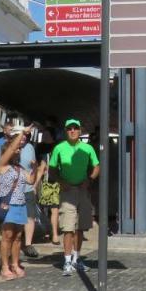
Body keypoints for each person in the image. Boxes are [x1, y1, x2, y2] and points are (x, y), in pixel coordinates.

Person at [49, 118, 100, 276]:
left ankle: (77, 259)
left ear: (79, 130)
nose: (72, 131)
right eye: (69, 129)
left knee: (80, 228)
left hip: (83, 191)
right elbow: (52, 169)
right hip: (67, 191)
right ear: (66, 131)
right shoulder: (59, 148)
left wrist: (89, 180)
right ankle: (67, 261)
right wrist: (61, 182)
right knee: (68, 228)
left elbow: (96, 166)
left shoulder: (88, 148)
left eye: (75, 128)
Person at [0, 125, 34, 280]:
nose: (18, 151)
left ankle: (15, 264)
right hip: (8, 204)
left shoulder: (19, 168)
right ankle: (4, 266)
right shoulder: (2, 166)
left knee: (18, 236)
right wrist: (22, 133)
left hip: (20, 204)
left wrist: (37, 168)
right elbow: (11, 148)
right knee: (7, 235)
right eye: (16, 149)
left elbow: (30, 180)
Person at [16, 126, 41, 259]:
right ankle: (16, 243)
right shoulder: (9, 147)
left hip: (28, 187)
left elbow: (33, 166)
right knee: (17, 218)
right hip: (14, 189)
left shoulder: (30, 148)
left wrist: (35, 182)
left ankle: (28, 244)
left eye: (26, 135)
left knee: (30, 216)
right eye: (23, 134)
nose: (24, 137)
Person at [36, 126, 63, 245]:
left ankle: (53, 233)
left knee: (53, 209)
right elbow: (41, 169)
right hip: (48, 183)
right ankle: (52, 232)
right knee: (49, 209)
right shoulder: (44, 150)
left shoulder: (53, 151)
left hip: (54, 183)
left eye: (47, 135)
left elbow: (42, 168)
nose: (44, 137)